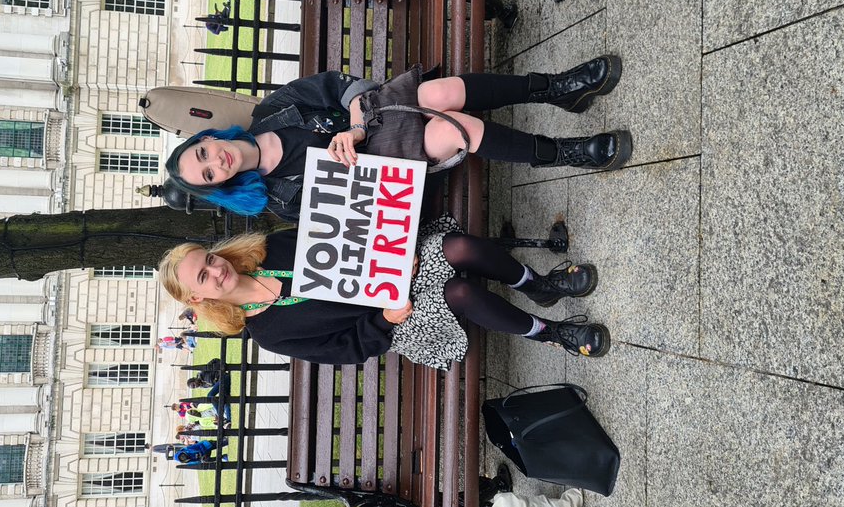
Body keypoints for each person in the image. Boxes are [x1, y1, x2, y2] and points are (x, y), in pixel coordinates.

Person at [163, 57, 630, 220]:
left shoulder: (272, 111)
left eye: (203, 152)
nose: (216, 161)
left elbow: (338, 85)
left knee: (440, 91)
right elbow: (359, 212)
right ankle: (562, 152)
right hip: (387, 161)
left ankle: (556, 88)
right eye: (208, 175)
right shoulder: (278, 200)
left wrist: (354, 125)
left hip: (375, 117)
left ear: (207, 137)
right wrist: (351, 167)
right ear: (218, 187)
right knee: (451, 127)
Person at [158, 219, 609, 369]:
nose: (215, 271)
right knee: (457, 293)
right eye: (202, 277)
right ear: (196, 300)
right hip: (392, 322)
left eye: (209, 259)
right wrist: (386, 319)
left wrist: (392, 258)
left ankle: (538, 286)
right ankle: (549, 333)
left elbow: (348, 233)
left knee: (459, 247)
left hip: (391, 272)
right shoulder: (268, 333)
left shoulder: (272, 247)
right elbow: (347, 348)